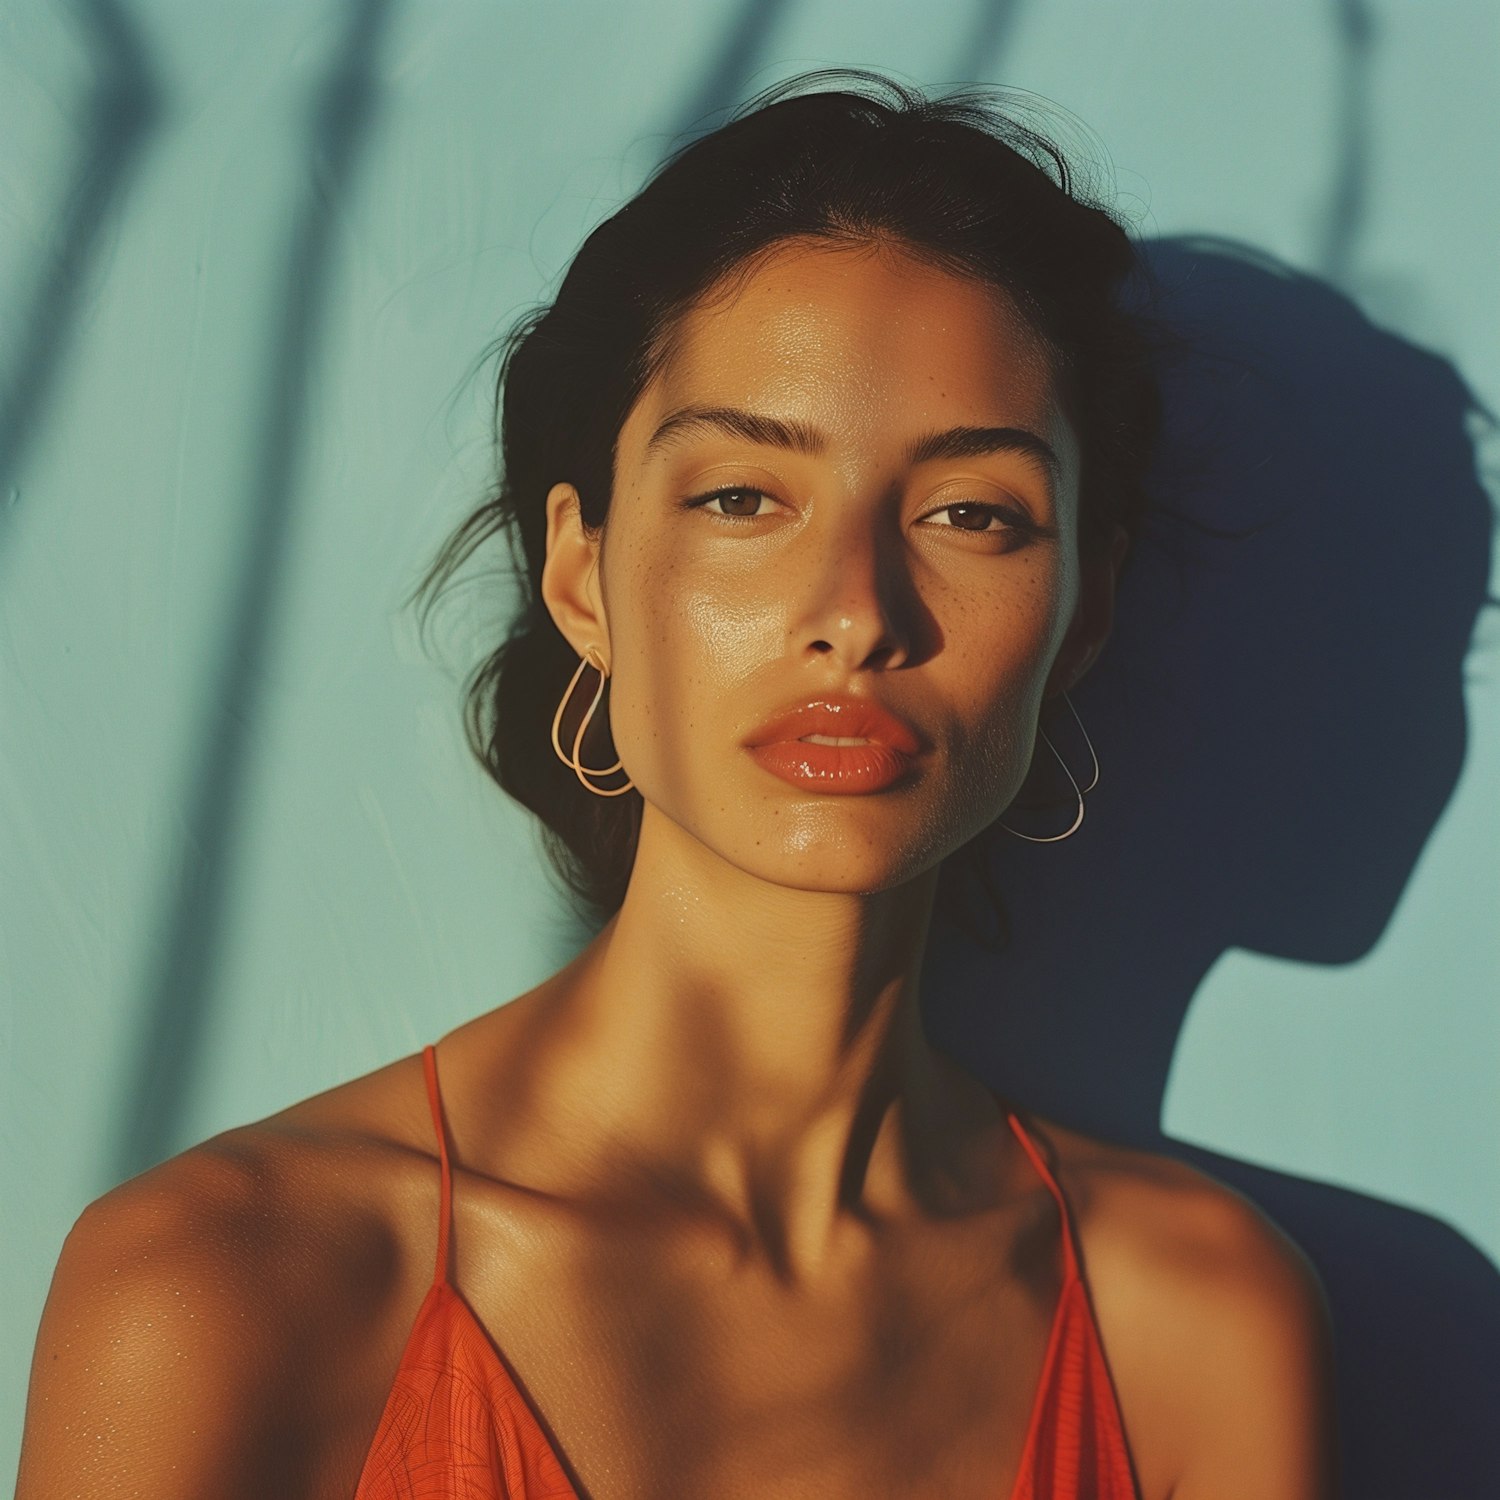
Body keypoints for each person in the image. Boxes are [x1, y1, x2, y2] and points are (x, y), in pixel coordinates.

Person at [16, 69, 1338, 1500]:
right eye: (742, 499)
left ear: (1084, 610)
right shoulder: (230, 1289)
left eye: (972, 513)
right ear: (581, 573)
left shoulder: (1198, 1329)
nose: (856, 611)